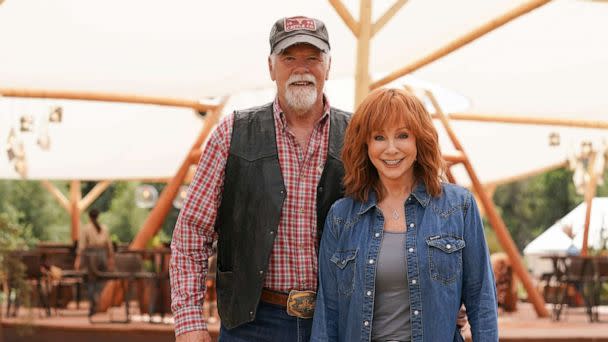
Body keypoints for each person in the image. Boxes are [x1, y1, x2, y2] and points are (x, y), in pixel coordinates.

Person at [170, 16, 351, 342]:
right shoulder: (231, 133)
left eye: (312, 57)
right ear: (271, 67)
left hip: (337, 321)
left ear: (328, 65)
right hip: (251, 325)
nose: (301, 68)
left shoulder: (358, 136)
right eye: (288, 57)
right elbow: (191, 235)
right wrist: (189, 321)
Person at [311, 88, 498, 342]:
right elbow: (328, 314)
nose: (391, 149)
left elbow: (481, 300)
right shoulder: (342, 217)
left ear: (419, 140)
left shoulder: (458, 207)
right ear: (365, 144)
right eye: (379, 137)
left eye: (402, 136)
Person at [74, 208, 115, 315]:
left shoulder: (86, 229)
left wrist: (78, 259)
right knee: (101, 279)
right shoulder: (104, 228)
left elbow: (82, 246)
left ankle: (93, 300)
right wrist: (110, 258)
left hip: (91, 256)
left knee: (90, 280)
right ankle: (96, 296)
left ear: (89, 217)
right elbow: (109, 246)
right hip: (102, 256)